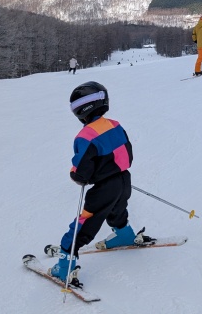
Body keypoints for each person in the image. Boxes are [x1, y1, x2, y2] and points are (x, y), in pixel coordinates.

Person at [48, 81, 145, 285]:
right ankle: (124, 235)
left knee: (86, 222)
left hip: (104, 188)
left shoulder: (86, 136)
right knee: (117, 208)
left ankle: (65, 266)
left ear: (81, 111)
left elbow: (82, 169)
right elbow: (126, 153)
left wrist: (77, 176)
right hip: (123, 179)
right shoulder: (115, 124)